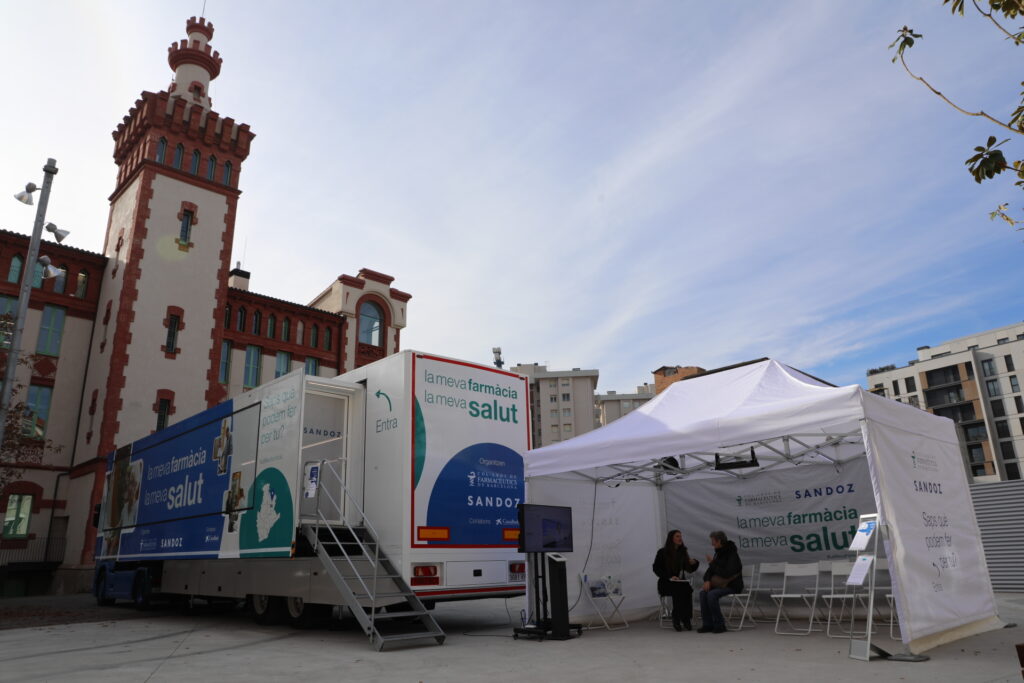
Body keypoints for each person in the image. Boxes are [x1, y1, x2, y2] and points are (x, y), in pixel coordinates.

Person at [652, 529, 699, 631]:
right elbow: (656, 568)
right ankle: (677, 618)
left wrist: (694, 563)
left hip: (680, 582)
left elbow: (689, 569)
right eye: (677, 536)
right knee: (680, 590)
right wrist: (669, 577)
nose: (680, 538)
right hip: (666, 582)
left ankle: (686, 618)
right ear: (671, 538)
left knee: (687, 589)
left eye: (680, 536)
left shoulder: (683, 552)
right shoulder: (662, 552)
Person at [698, 530, 744, 633]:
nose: (711, 544)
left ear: (719, 541)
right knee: (703, 593)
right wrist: (707, 580)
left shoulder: (732, 554)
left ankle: (719, 625)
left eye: (713, 541)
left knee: (712, 595)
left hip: (732, 585)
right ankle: (707, 624)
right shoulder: (718, 554)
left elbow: (727, 573)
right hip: (721, 584)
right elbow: (709, 571)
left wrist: (713, 563)